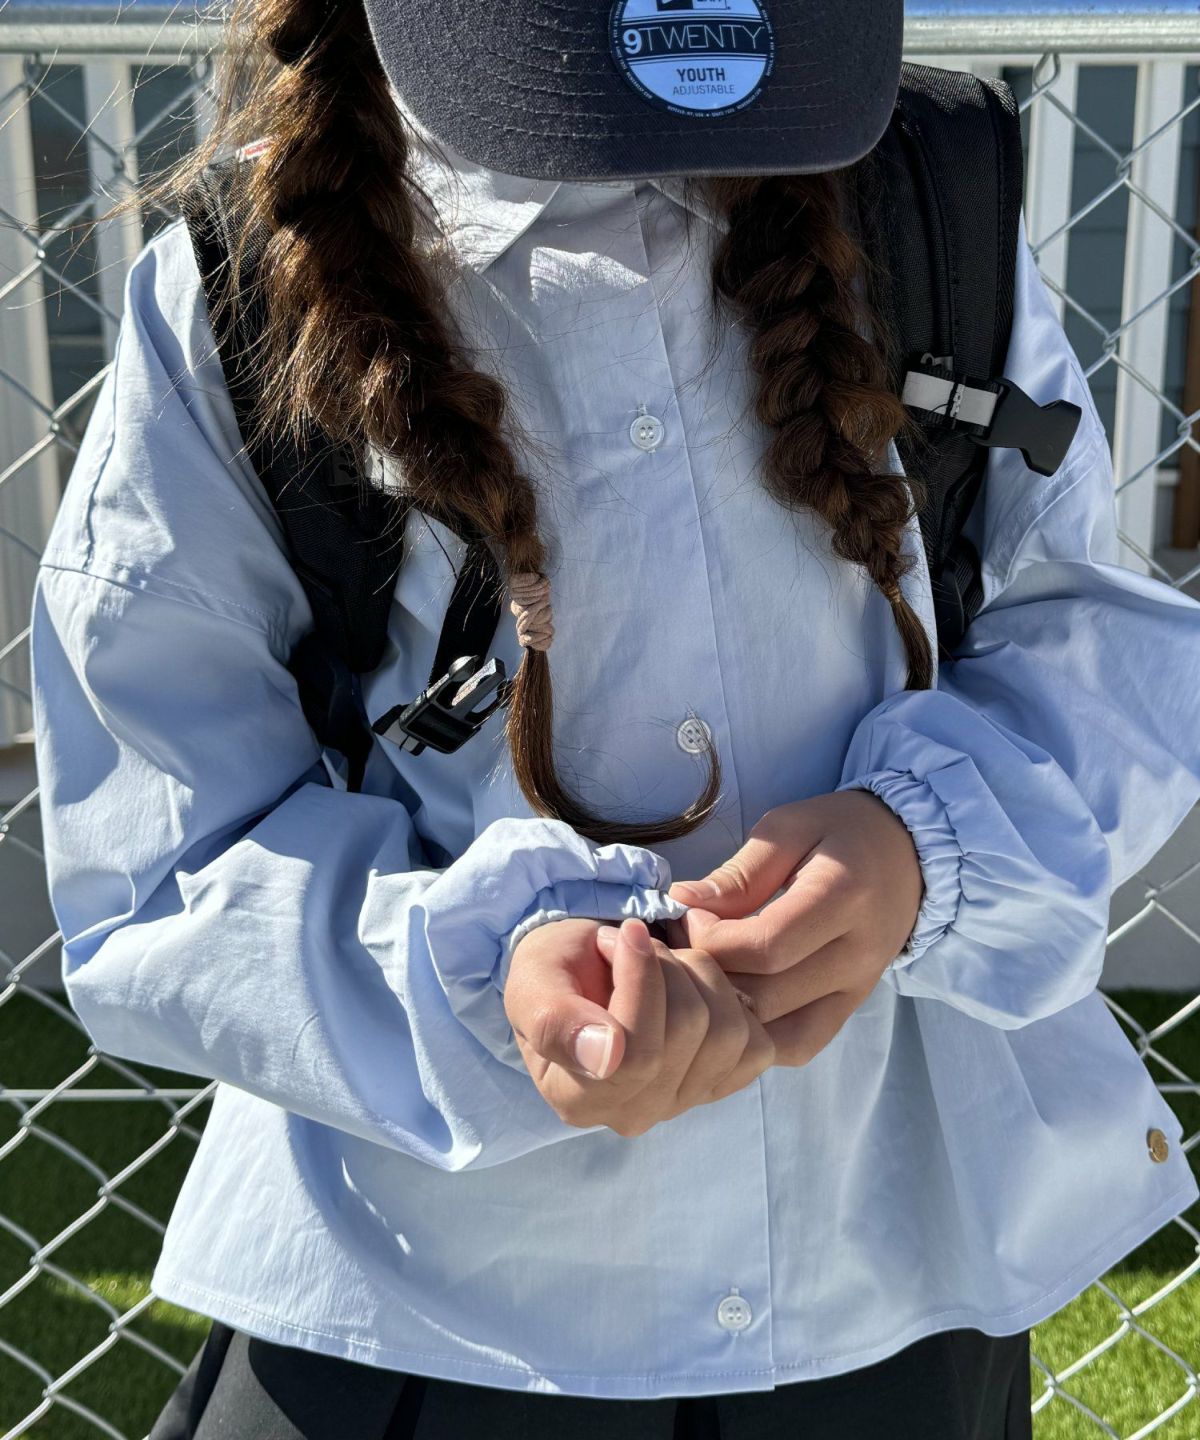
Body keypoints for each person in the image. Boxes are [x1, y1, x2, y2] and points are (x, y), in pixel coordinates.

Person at [28, 0, 1200, 1436]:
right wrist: (479, 980)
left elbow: (1081, 619)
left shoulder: (925, 198)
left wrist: (922, 851)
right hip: (427, 1321)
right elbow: (160, 853)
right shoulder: (243, 285)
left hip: (881, 1290)